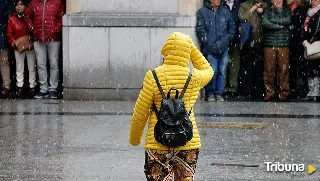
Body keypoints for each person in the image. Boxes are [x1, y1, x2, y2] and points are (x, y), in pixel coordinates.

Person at [129, 32, 214, 181]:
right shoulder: (194, 77)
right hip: (187, 141)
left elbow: (141, 111)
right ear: (187, 52)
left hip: (157, 142)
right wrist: (190, 48)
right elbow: (209, 70)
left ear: (165, 50)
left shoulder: (153, 76)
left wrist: (135, 138)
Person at [196, 0, 236, 102]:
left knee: (222, 71)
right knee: (212, 71)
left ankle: (219, 93)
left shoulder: (225, 11)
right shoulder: (202, 12)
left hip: (223, 46)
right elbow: (200, 29)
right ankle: (210, 93)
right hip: (210, 47)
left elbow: (232, 26)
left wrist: (228, 39)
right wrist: (207, 42)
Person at [24, 0, 65, 99]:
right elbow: (27, 16)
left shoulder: (57, 2)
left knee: (53, 63)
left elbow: (61, 17)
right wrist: (32, 28)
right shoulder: (34, 2)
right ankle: (43, 89)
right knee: (41, 64)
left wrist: (56, 29)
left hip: (53, 38)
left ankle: (53, 89)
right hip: (38, 38)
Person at [238, 0, 268, 100]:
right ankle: (248, 89)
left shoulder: (264, 5)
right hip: (248, 41)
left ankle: (259, 90)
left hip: (261, 40)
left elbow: (269, 17)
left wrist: (262, 12)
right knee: (248, 67)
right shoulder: (244, 5)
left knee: (260, 67)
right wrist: (251, 10)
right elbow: (241, 17)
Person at [262, 0, 292, 101]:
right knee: (268, 69)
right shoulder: (267, 11)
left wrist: (273, 21)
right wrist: (280, 26)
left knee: (283, 69)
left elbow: (287, 20)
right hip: (269, 44)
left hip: (283, 44)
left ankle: (284, 91)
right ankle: (269, 91)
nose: (277, 1)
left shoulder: (287, 10)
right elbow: (265, 23)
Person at [7, 0, 36, 98]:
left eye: (21, 4)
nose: (19, 7)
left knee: (31, 66)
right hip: (18, 46)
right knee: (20, 67)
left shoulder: (29, 17)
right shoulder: (12, 19)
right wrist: (13, 42)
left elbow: (32, 29)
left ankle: (32, 86)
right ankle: (20, 87)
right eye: (17, 5)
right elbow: (9, 33)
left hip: (29, 45)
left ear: (25, 6)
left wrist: (26, 19)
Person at [287, 0, 309, 98]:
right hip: (289, 41)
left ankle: (305, 87)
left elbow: (302, 23)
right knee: (291, 66)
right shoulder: (286, 9)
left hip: (299, 41)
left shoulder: (302, 9)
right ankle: (293, 88)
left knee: (302, 65)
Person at [223, 0, 241, 99]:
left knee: (235, 65)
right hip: (224, 39)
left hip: (236, 39)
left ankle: (233, 88)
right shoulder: (222, 5)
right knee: (224, 64)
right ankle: (224, 88)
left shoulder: (238, 5)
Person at [302, 0, 320, 99]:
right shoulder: (309, 11)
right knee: (310, 65)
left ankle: (316, 89)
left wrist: (310, 40)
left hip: (315, 42)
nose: (313, 1)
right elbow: (305, 27)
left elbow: (317, 29)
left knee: (316, 66)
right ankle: (312, 89)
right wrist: (304, 39)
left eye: (315, 0)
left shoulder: (318, 13)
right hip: (308, 42)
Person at [0, 0, 14, 97]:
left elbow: (11, 18)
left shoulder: (6, 2)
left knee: (4, 61)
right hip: (3, 32)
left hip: (2, 34)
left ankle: (6, 86)